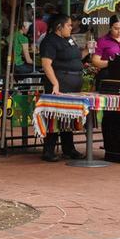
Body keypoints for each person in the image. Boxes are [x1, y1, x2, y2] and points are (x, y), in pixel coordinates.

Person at [36, 13, 85, 162]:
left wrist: (88, 51)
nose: (72, 27)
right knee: (54, 115)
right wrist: (55, 83)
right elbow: (46, 64)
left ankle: (68, 148)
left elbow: (76, 57)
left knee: (68, 116)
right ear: (59, 27)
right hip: (59, 81)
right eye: (69, 25)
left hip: (73, 81)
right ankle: (48, 150)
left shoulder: (69, 39)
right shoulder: (50, 41)